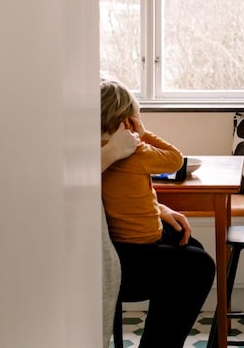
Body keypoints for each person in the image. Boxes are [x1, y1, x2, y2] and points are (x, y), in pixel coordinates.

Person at [100, 79, 216, 348]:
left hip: (122, 241)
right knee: (199, 265)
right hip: (133, 252)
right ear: (128, 121)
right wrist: (144, 133)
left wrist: (159, 208)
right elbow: (175, 158)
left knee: (189, 245)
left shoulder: (95, 148)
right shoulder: (136, 150)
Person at [101, 127, 140, 348]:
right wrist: (115, 149)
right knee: (195, 265)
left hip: (114, 238)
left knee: (192, 250)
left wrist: (159, 208)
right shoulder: (110, 150)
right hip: (118, 250)